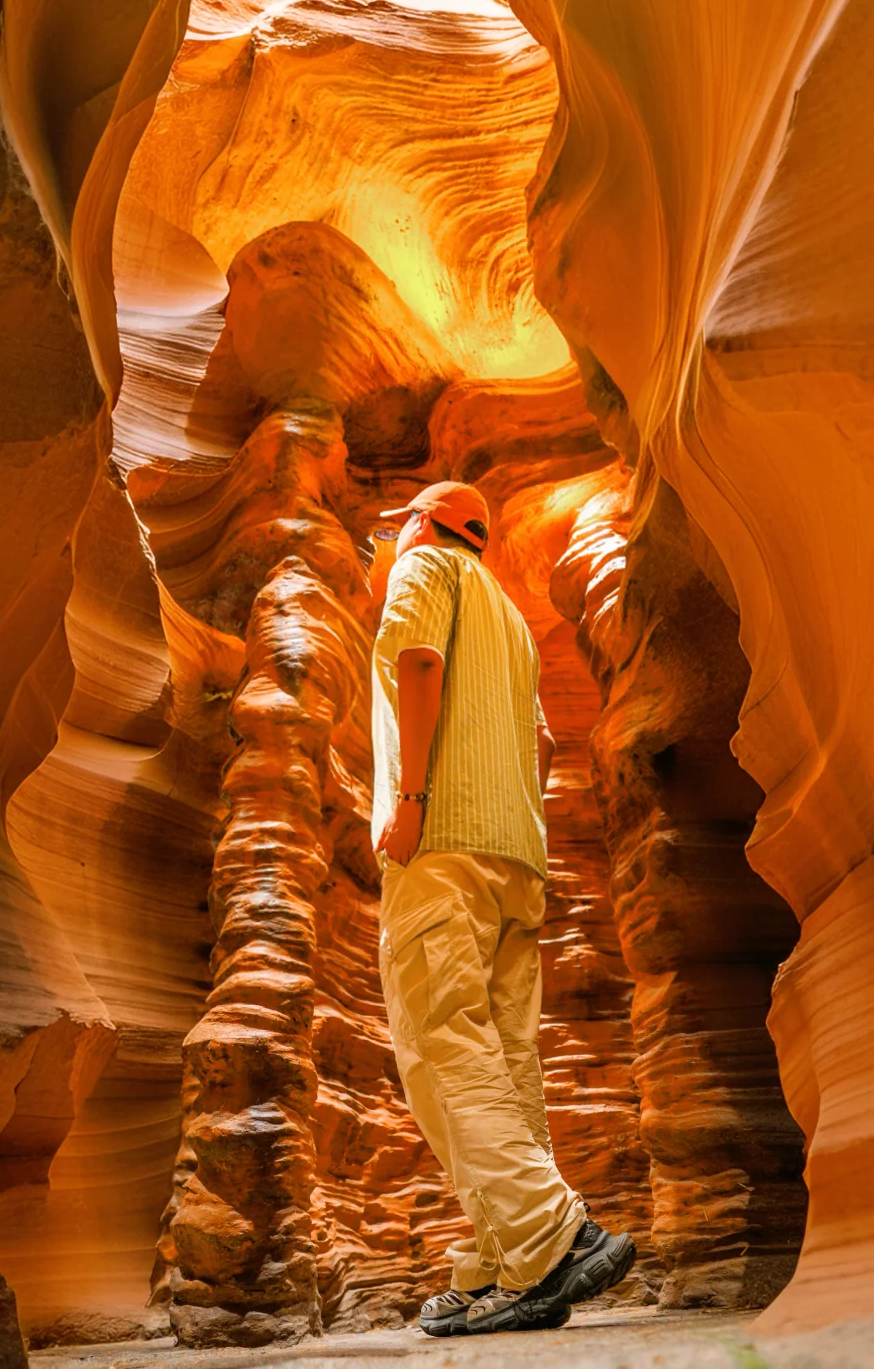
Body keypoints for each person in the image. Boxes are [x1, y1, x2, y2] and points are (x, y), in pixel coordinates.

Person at [370, 480, 635, 1336]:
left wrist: (411, 795)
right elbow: (544, 740)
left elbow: (417, 662)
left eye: (397, 528)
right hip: (514, 858)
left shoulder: (426, 568)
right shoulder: (511, 620)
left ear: (421, 524)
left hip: (440, 842)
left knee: (442, 1048)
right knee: (507, 1065)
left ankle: (553, 1237)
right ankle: (500, 1267)